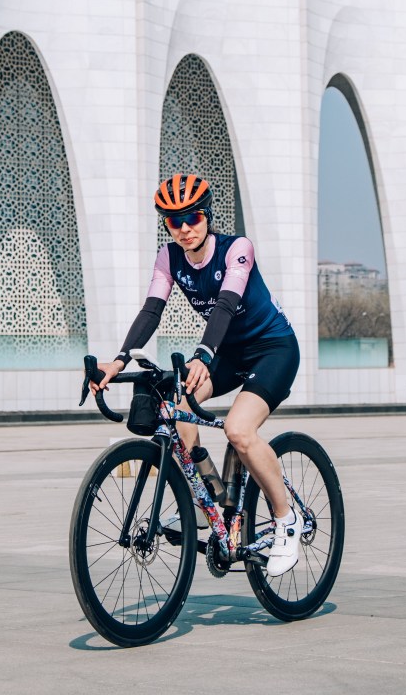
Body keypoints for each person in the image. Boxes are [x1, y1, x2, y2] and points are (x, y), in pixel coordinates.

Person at [92, 172, 302, 577]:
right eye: (175, 221)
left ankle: (285, 518)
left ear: (208, 217)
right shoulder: (169, 257)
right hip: (229, 352)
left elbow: (226, 304)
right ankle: (209, 498)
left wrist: (203, 355)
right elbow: (151, 311)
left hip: (273, 348)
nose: (185, 228)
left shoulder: (237, 249)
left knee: (239, 430)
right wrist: (117, 361)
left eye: (193, 218)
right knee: (177, 409)